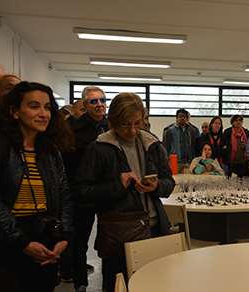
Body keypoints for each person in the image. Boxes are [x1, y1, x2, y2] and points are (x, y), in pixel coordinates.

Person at [71, 92, 174, 292]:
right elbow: (80, 192)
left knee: (153, 285)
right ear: (114, 120)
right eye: (126, 124)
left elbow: (168, 181)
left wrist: (157, 186)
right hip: (120, 233)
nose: (133, 130)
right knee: (119, 286)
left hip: (154, 228)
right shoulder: (100, 148)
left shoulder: (152, 144)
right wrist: (118, 186)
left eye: (138, 123)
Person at [0, 81, 74, 291]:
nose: (43, 114)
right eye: (34, 106)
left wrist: (65, 236)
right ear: (15, 112)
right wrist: (22, 243)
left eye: (47, 107)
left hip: (45, 241)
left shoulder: (50, 152)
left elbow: (65, 197)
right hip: (5, 244)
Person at [59, 85, 109, 289]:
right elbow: (66, 166)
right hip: (83, 193)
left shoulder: (112, 128)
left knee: (111, 240)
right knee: (80, 242)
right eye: (94, 101)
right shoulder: (71, 131)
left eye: (103, 100)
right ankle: (80, 282)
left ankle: (111, 280)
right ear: (85, 105)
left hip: (109, 191)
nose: (99, 105)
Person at [162, 109, 197, 173]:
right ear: (176, 118)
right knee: (174, 181)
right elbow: (165, 146)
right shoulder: (170, 130)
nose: (182, 118)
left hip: (187, 162)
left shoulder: (191, 130)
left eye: (184, 116)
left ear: (187, 118)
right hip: (174, 162)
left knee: (187, 181)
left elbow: (193, 146)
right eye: (180, 116)